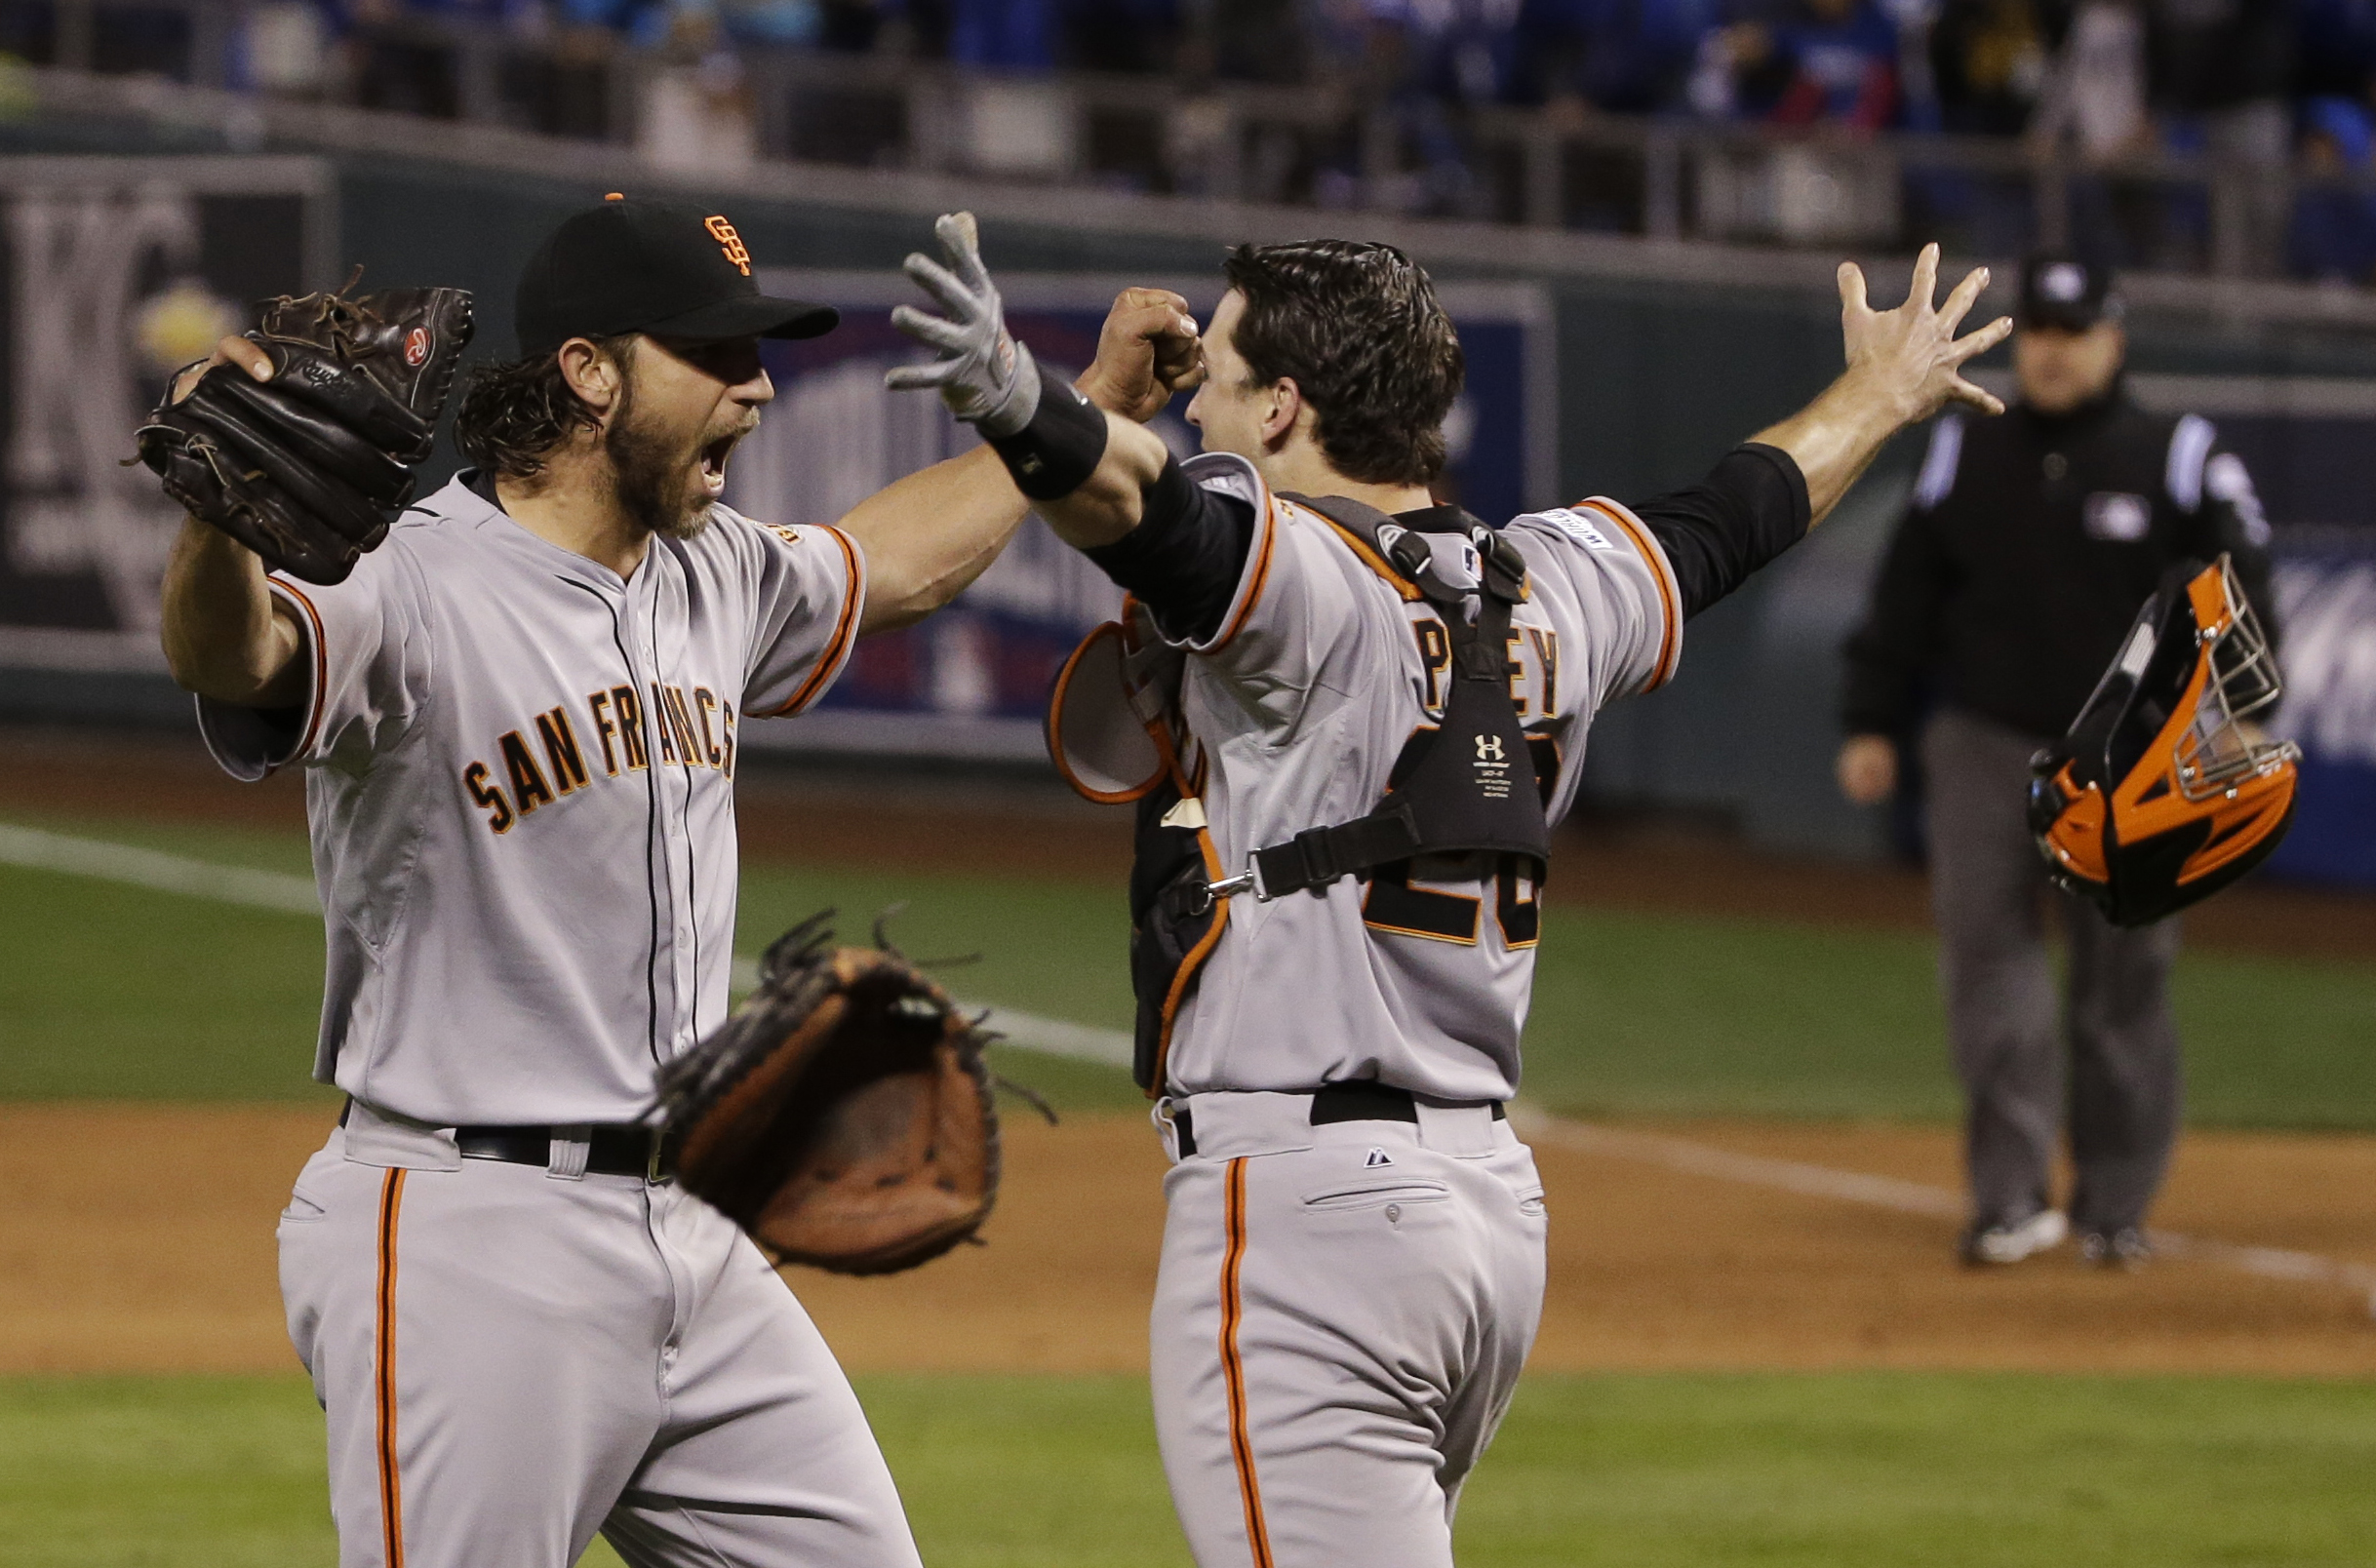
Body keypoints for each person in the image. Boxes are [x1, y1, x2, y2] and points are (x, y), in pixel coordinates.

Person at [887, 216, 2008, 1568]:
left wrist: (1021, 398)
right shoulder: (1558, 585)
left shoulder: (1301, 581)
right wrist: (1883, 393)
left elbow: (1151, 514)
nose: (1203, 402)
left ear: (1287, 407)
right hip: (1484, 1223)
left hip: (1310, 1225)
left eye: (1224, 378)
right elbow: (1744, 507)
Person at [152, 196, 1072, 1567]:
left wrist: (1073, 414)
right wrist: (218, 522)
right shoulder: (410, 585)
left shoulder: (712, 574)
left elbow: (895, 565)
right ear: (591, 372)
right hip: (472, 1237)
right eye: (718, 355)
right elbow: (235, 660)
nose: (757, 388)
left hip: (695, 1231)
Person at [1837, 252, 2277, 1271]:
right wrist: (1871, 719)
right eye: (2038, 331)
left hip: (2138, 756)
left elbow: (2240, 580)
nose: (2052, 351)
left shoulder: (2178, 451)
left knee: (2123, 984)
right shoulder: (1963, 450)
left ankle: (2115, 1206)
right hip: (1984, 741)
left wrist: (2245, 707)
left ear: (2113, 339)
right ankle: (2009, 1198)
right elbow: (1903, 596)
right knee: (1991, 970)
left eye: (2072, 334)